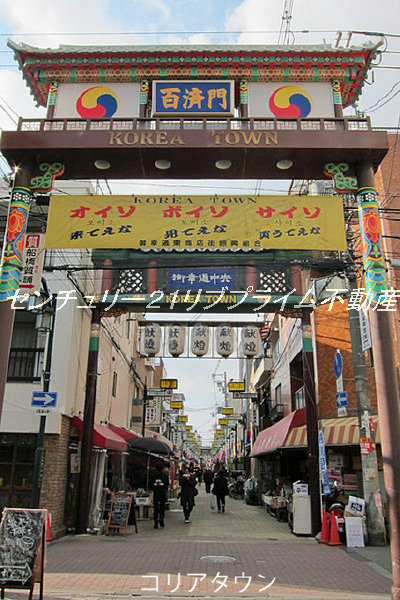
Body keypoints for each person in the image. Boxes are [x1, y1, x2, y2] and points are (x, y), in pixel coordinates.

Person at [149, 463, 169, 529]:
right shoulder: (165, 475)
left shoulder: (153, 475)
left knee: (156, 507)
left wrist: (154, 488)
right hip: (162, 493)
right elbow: (167, 484)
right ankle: (161, 519)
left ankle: (155, 523)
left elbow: (150, 484)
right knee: (162, 507)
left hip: (156, 493)